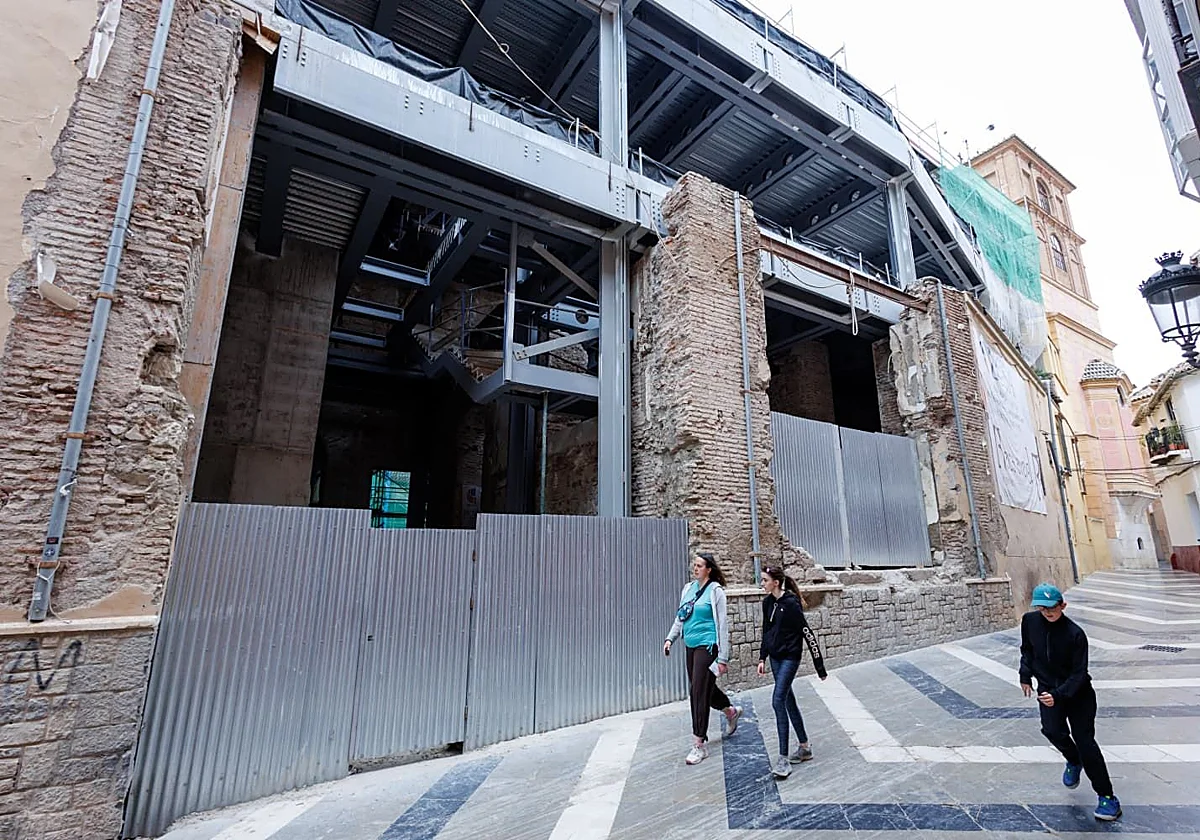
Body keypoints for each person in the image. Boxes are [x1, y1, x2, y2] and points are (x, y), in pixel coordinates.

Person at [1019, 582, 1121, 822]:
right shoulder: (1029, 622)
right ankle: (1073, 760)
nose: (1048, 613)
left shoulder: (1075, 634)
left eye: (1052, 608)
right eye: (1043, 609)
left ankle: (1107, 797)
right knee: (1051, 731)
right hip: (1048, 690)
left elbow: (1079, 674)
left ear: (1062, 605)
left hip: (1078, 695)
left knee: (1086, 743)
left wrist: (1059, 695)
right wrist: (1025, 675)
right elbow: (1027, 650)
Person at [664, 552, 742, 765]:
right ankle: (730, 711)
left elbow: (723, 625)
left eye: (700, 565)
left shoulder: (716, 591)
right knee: (704, 689)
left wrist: (723, 657)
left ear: (709, 569)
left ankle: (699, 744)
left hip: (708, 647)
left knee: (697, 692)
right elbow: (682, 616)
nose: (695, 568)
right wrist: (671, 638)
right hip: (690, 645)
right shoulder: (688, 589)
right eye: (695, 565)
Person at [756, 565, 827, 779]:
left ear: (775, 582)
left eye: (765, 580)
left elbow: (807, 633)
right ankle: (804, 747)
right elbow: (766, 631)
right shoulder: (767, 603)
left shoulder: (791, 604)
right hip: (776, 658)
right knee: (788, 701)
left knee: (777, 700)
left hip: (790, 658)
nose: (762, 584)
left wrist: (819, 666)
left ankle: (783, 758)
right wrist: (762, 657)